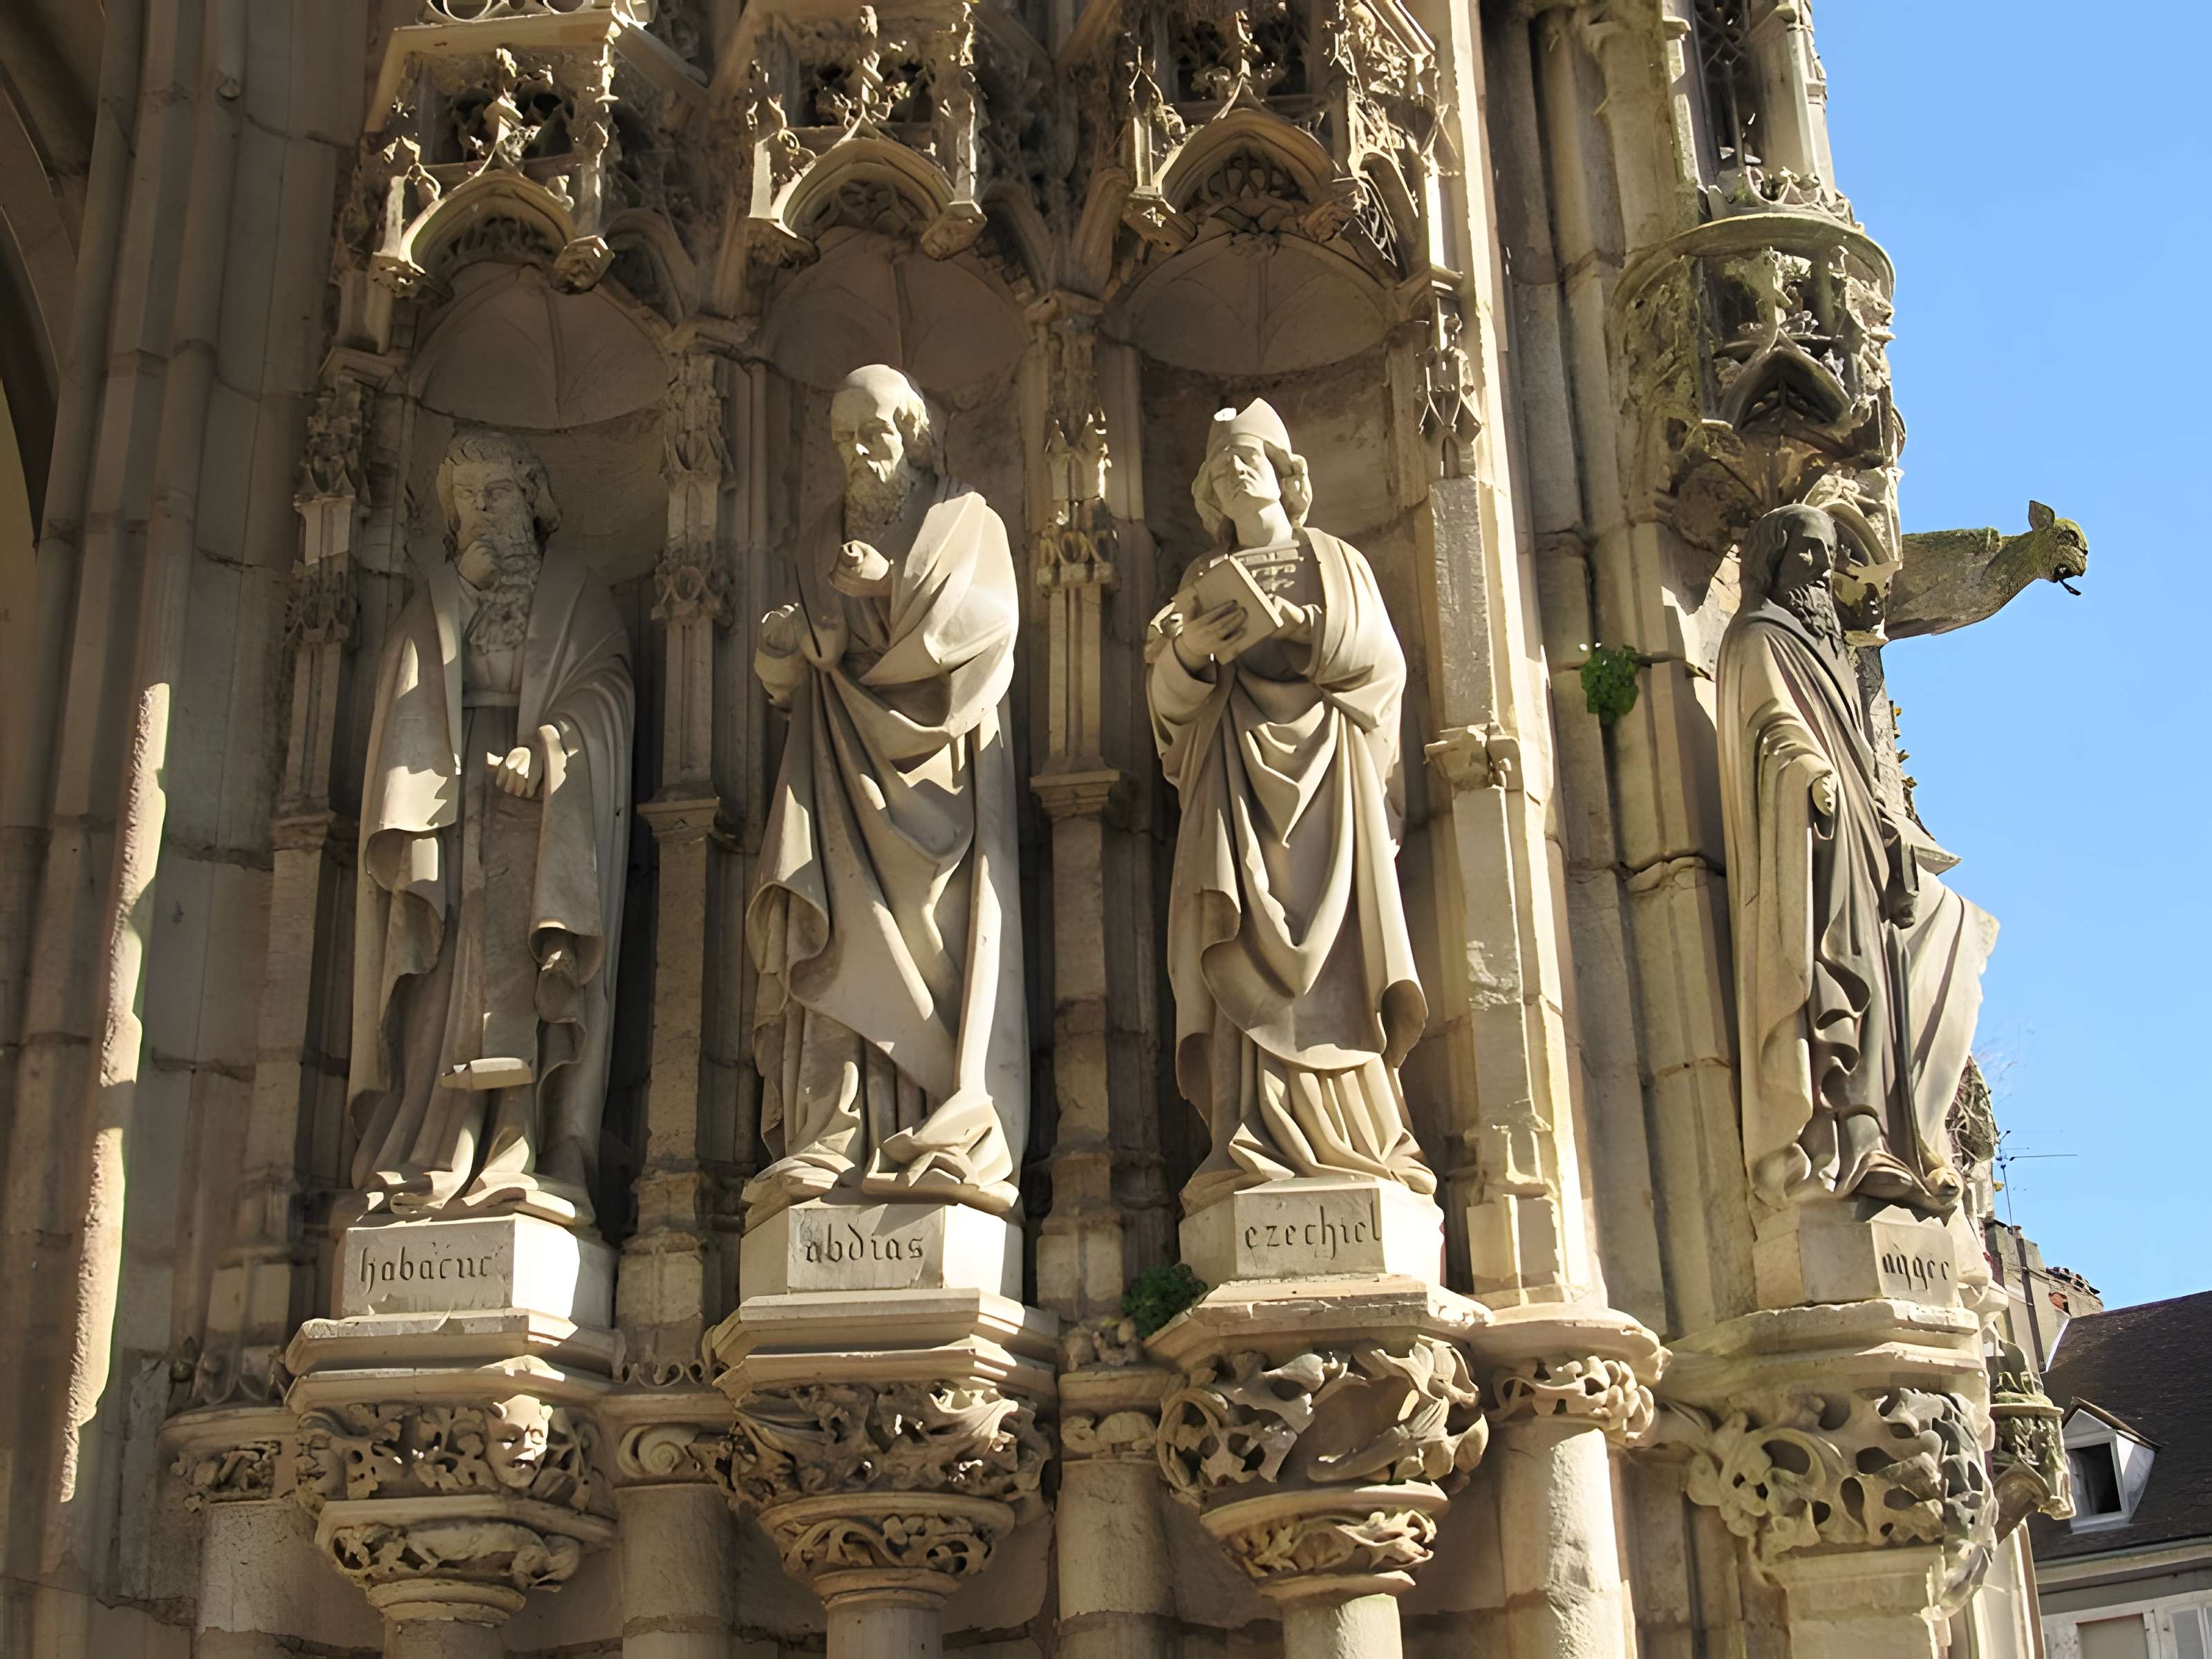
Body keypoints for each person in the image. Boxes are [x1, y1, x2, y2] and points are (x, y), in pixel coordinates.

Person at [746, 365, 1028, 1219]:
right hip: (835, 763)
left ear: (910, 431)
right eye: (842, 438)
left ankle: (932, 1129)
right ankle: (832, 1138)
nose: (858, 454)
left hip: (940, 769)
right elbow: (795, 678)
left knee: (938, 953)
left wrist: (886, 587)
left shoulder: (964, 518)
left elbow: (992, 622)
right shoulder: (815, 537)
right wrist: (779, 651)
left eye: (873, 434)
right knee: (833, 938)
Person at [1146, 399, 1432, 1215]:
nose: (1236, 474)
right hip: (1233, 781)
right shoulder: (1200, 581)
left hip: (1331, 789)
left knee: (1337, 966)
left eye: (1249, 460)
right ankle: (1252, 1139)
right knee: (1236, 937)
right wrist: (1189, 656)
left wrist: (1306, 628)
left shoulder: (1338, 561)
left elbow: (1381, 666)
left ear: (1283, 475)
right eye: (1222, 467)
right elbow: (1167, 708)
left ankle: (1361, 1140)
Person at [348, 431, 633, 1228]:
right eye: (466, 499)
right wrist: (457, 603)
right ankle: (435, 1144)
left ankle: (522, 1140)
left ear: (532, 501)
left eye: (497, 495)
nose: (481, 514)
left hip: (539, 812)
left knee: (526, 971)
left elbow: (606, 690)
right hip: (448, 807)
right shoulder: (435, 602)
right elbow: (403, 692)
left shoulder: (577, 593)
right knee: (445, 983)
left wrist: (553, 749)